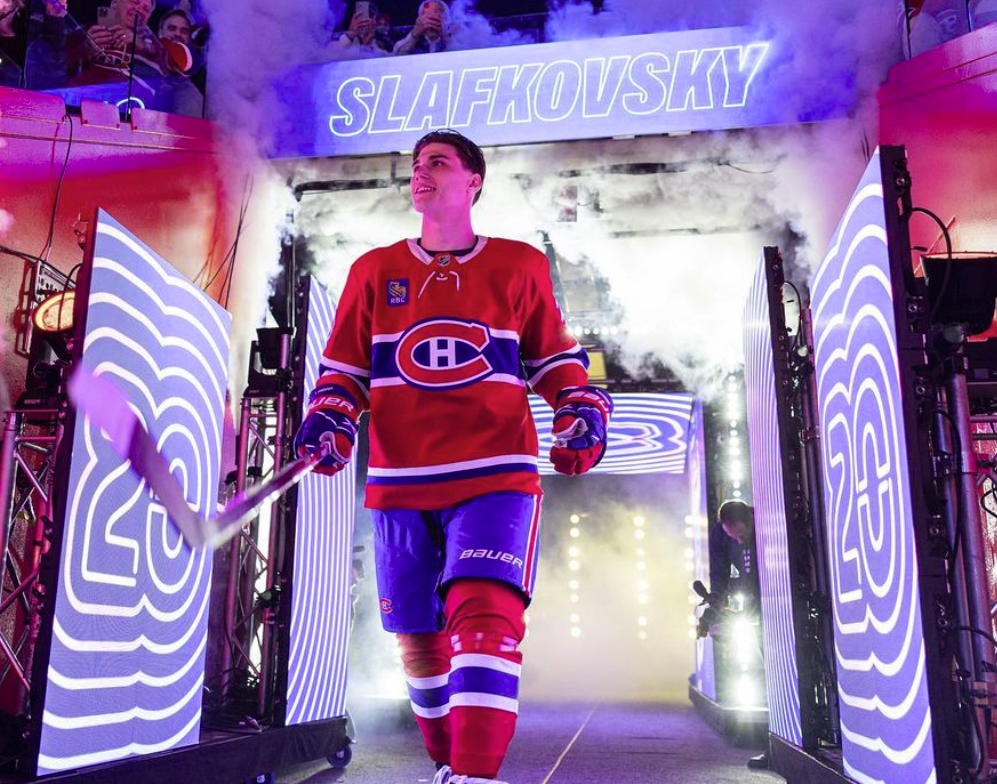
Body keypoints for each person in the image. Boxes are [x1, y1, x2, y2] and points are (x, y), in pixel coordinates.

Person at [294, 129, 613, 784]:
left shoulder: (518, 264)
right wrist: (330, 419)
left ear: (473, 181)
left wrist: (579, 409)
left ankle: (474, 774)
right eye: (415, 165)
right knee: (419, 644)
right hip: (398, 482)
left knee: (485, 612)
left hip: (494, 472)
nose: (420, 172)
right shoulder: (373, 270)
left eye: (437, 162)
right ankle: (448, 764)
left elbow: (555, 360)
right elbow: (344, 373)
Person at [708, 499, 759, 611]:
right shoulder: (719, 535)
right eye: (732, 537)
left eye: (741, 535)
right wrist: (718, 597)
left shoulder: (765, 523)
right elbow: (718, 571)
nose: (739, 541)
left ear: (751, 520)